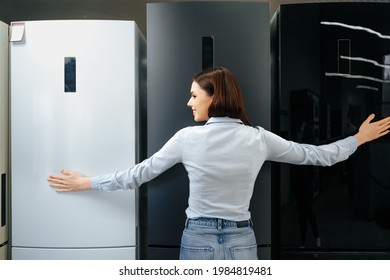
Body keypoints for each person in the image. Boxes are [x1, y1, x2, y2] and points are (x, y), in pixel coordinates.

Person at [48, 67, 390, 260]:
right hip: (243, 241)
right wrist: (358, 138)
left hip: (197, 238)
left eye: (195, 95)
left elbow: (138, 175)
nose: (188, 102)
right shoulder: (259, 138)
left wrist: (86, 182)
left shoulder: (187, 139)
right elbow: (318, 156)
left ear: (215, 97)